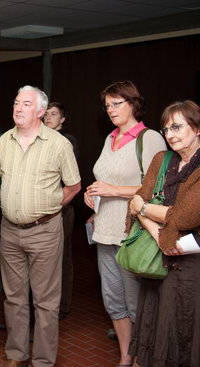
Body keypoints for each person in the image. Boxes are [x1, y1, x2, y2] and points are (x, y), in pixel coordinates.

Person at [0, 86, 81, 367]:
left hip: (44, 231)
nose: (18, 108)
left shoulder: (59, 144)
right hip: (9, 230)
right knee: (14, 298)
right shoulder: (4, 140)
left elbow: (75, 185)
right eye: (16, 103)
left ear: (41, 111)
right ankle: (16, 354)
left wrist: (51, 209)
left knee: (45, 301)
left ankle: (43, 360)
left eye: (26, 104)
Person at [84, 81, 166, 367]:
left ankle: (143, 359)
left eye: (117, 103)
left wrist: (112, 191)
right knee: (114, 302)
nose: (111, 109)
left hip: (132, 232)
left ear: (133, 103)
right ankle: (125, 358)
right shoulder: (110, 139)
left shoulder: (150, 138)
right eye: (107, 105)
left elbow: (156, 189)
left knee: (136, 304)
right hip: (103, 231)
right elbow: (105, 179)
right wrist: (93, 194)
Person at [127, 100, 200, 367]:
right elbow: (136, 203)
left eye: (177, 127)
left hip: (192, 265)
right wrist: (160, 235)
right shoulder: (162, 159)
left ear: (198, 128)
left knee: (185, 327)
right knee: (155, 326)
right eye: (166, 129)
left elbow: (186, 216)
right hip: (158, 261)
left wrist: (145, 208)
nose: (170, 135)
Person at [44, 101, 79, 320]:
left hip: (62, 207)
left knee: (61, 258)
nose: (48, 117)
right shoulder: (41, 138)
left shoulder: (67, 141)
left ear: (62, 119)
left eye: (54, 114)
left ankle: (62, 307)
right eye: (46, 113)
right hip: (43, 209)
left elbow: (68, 179)